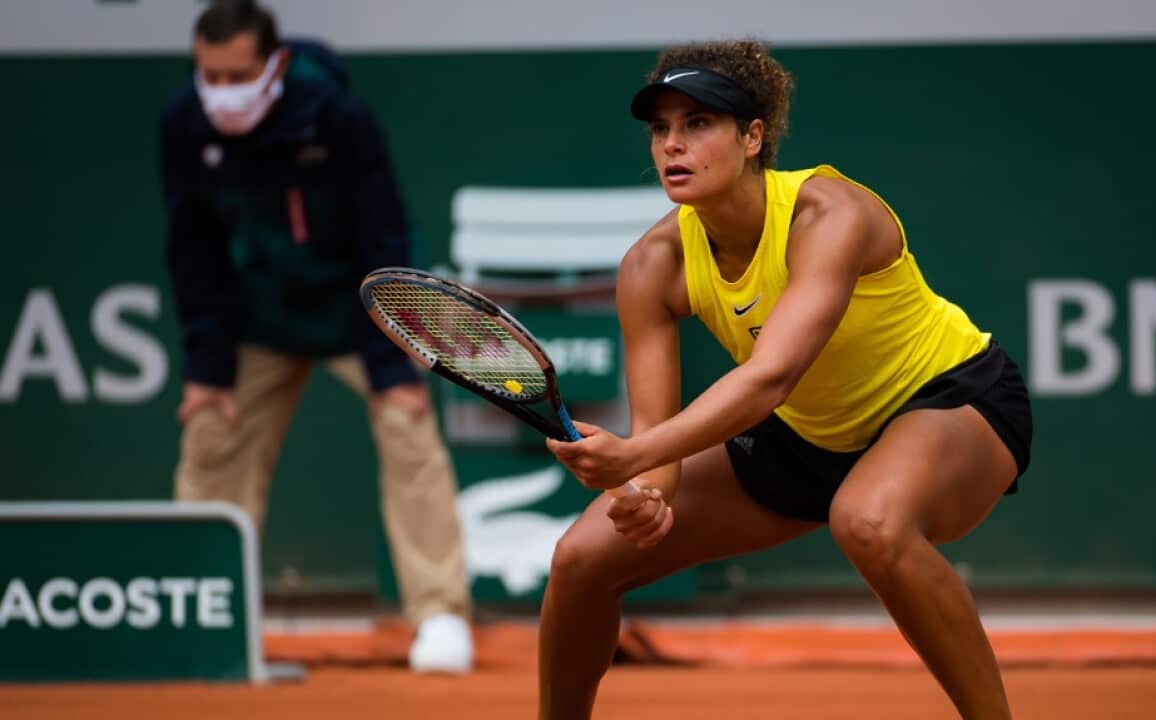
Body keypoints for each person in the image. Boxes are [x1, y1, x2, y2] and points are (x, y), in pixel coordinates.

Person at [543, 39, 1033, 719]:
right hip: (806, 438)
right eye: (661, 129)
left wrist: (634, 455)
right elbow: (656, 448)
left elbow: (770, 377)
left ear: (753, 137)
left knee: (868, 520)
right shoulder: (651, 266)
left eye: (698, 124)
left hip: (948, 401)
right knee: (580, 559)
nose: (672, 147)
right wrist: (645, 494)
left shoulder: (829, 214)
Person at [159, 0, 472, 673]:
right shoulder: (184, 123)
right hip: (260, 313)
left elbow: (384, 236)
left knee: (408, 431)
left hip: (357, 306)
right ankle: (196, 610)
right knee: (210, 435)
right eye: (206, 76)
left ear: (274, 65)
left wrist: (394, 362)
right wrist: (207, 367)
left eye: (236, 75)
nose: (220, 93)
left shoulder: (337, 117)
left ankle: (440, 614)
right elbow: (195, 253)